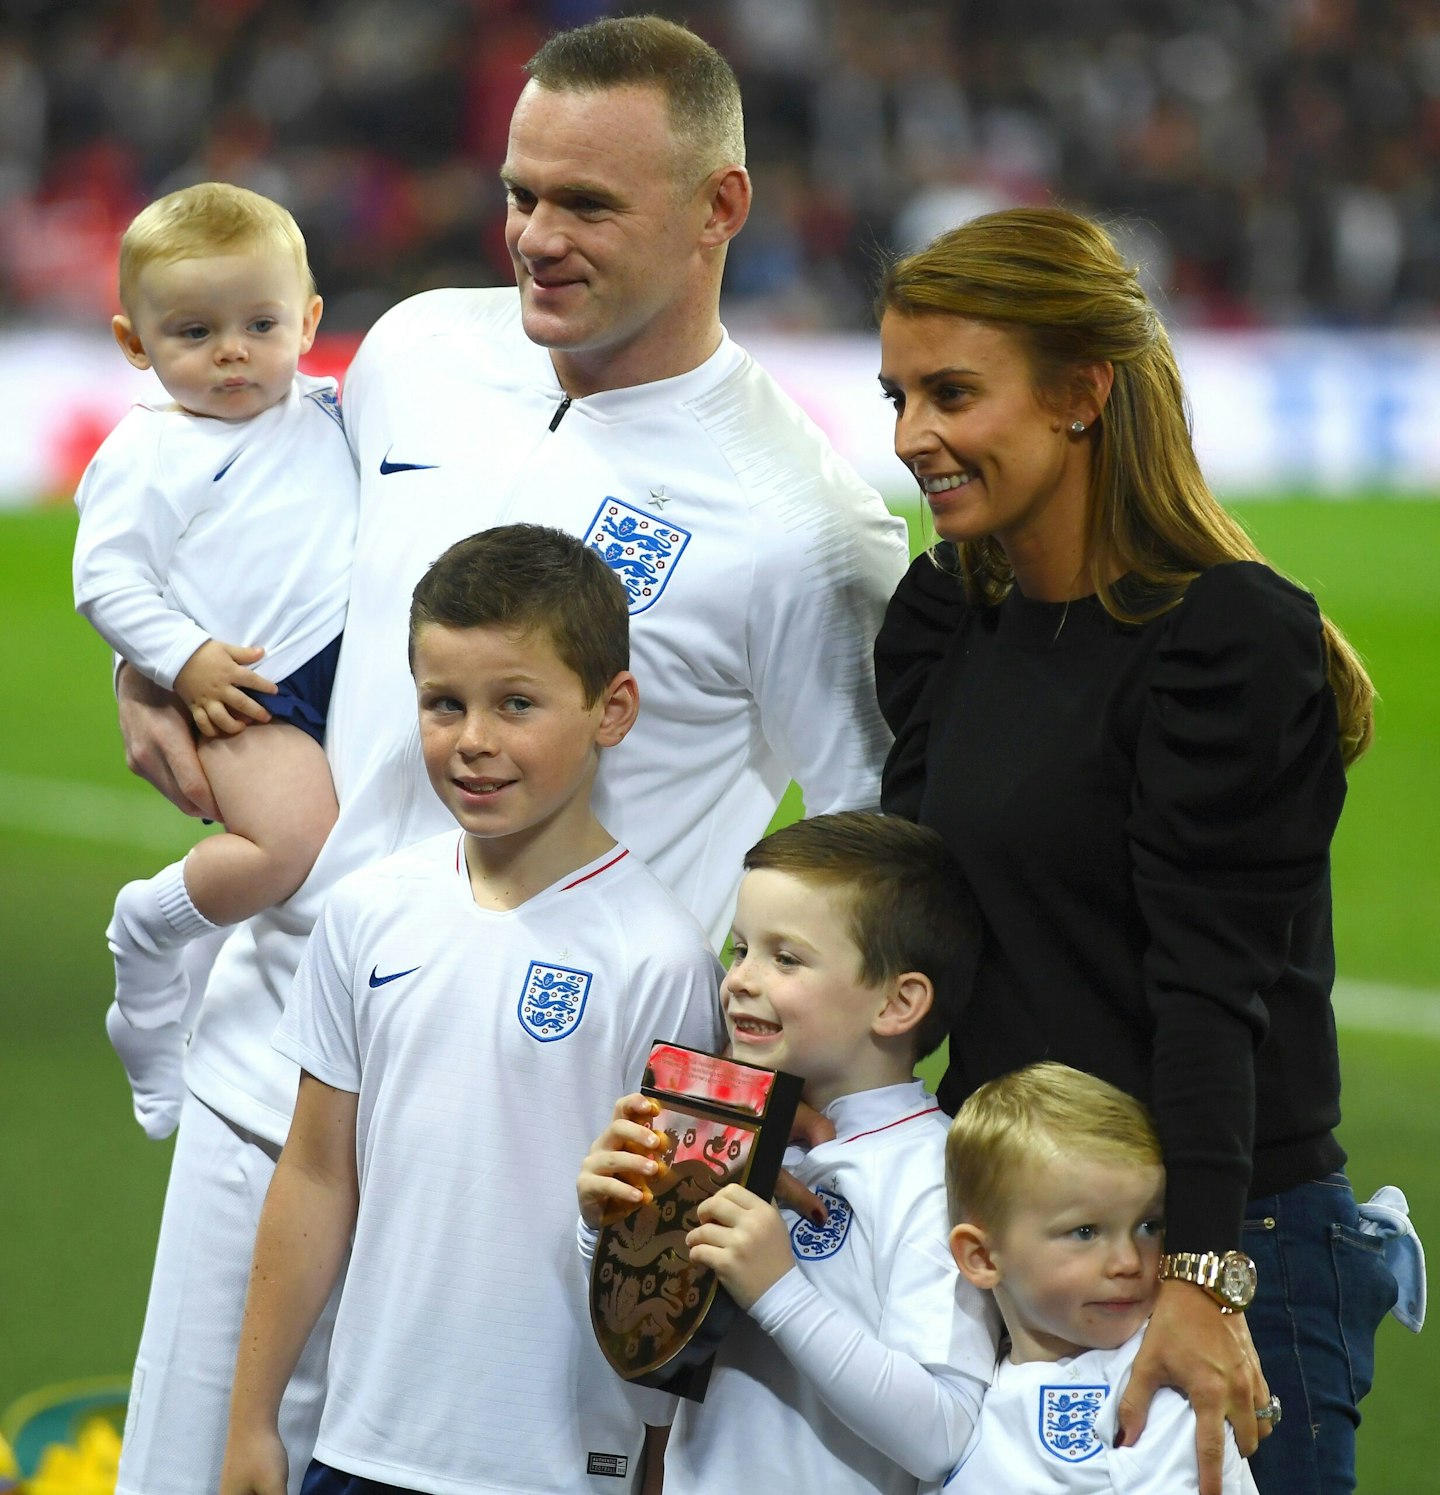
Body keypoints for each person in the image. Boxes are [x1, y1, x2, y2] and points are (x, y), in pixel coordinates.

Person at [112, 17, 907, 1495]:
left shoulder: (806, 529)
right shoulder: (418, 351)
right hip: (270, 1078)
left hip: (534, 1178)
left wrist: (783, 1142)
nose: (537, 237)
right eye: (520, 194)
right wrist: (145, 655)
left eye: (588, 205)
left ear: (720, 206)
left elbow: (865, 863)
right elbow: (258, 527)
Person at [872, 205, 1396, 1495]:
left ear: (1081, 393)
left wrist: (1206, 1279)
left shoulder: (1227, 638)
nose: (909, 438)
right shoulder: (951, 610)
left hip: (1222, 1246)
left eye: (951, 392)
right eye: (895, 395)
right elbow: (914, 941)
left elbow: (1210, 991)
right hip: (1012, 1251)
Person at [220, 524, 722, 1495]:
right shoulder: (369, 911)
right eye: (443, 704)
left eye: (517, 703)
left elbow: (668, 1256)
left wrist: (657, 1470)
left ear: (612, 709)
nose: (474, 741)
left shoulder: (662, 958)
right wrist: (252, 1420)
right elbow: (318, 1175)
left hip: (556, 1465)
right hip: (362, 1443)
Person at [579, 811, 997, 1495]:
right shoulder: (720, 1137)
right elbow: (651, 1360)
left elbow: (946, 1435)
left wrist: (778, 1290)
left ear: (899, 1002)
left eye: (786, 957)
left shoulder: (934, 1172)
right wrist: (608, 1225)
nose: (740, 978)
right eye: (740, 948)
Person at [72, 182, 356, 1143]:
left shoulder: (336, 411)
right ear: (133, 343)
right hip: (245, 691)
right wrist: (181, 663)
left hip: (349, 677)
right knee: (290, 848)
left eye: (261, 322)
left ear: (310, 319)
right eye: (193, 331)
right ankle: (152, 933)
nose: (233, 351)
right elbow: (104, 581)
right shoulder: (147, 450)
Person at [941, 1061, 1259, 1493]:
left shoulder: (1156, 1390)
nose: (1129, 1261)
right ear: (981, 1257)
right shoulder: (961, 1389)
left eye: (1150, 1226)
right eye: (1086, 1232)